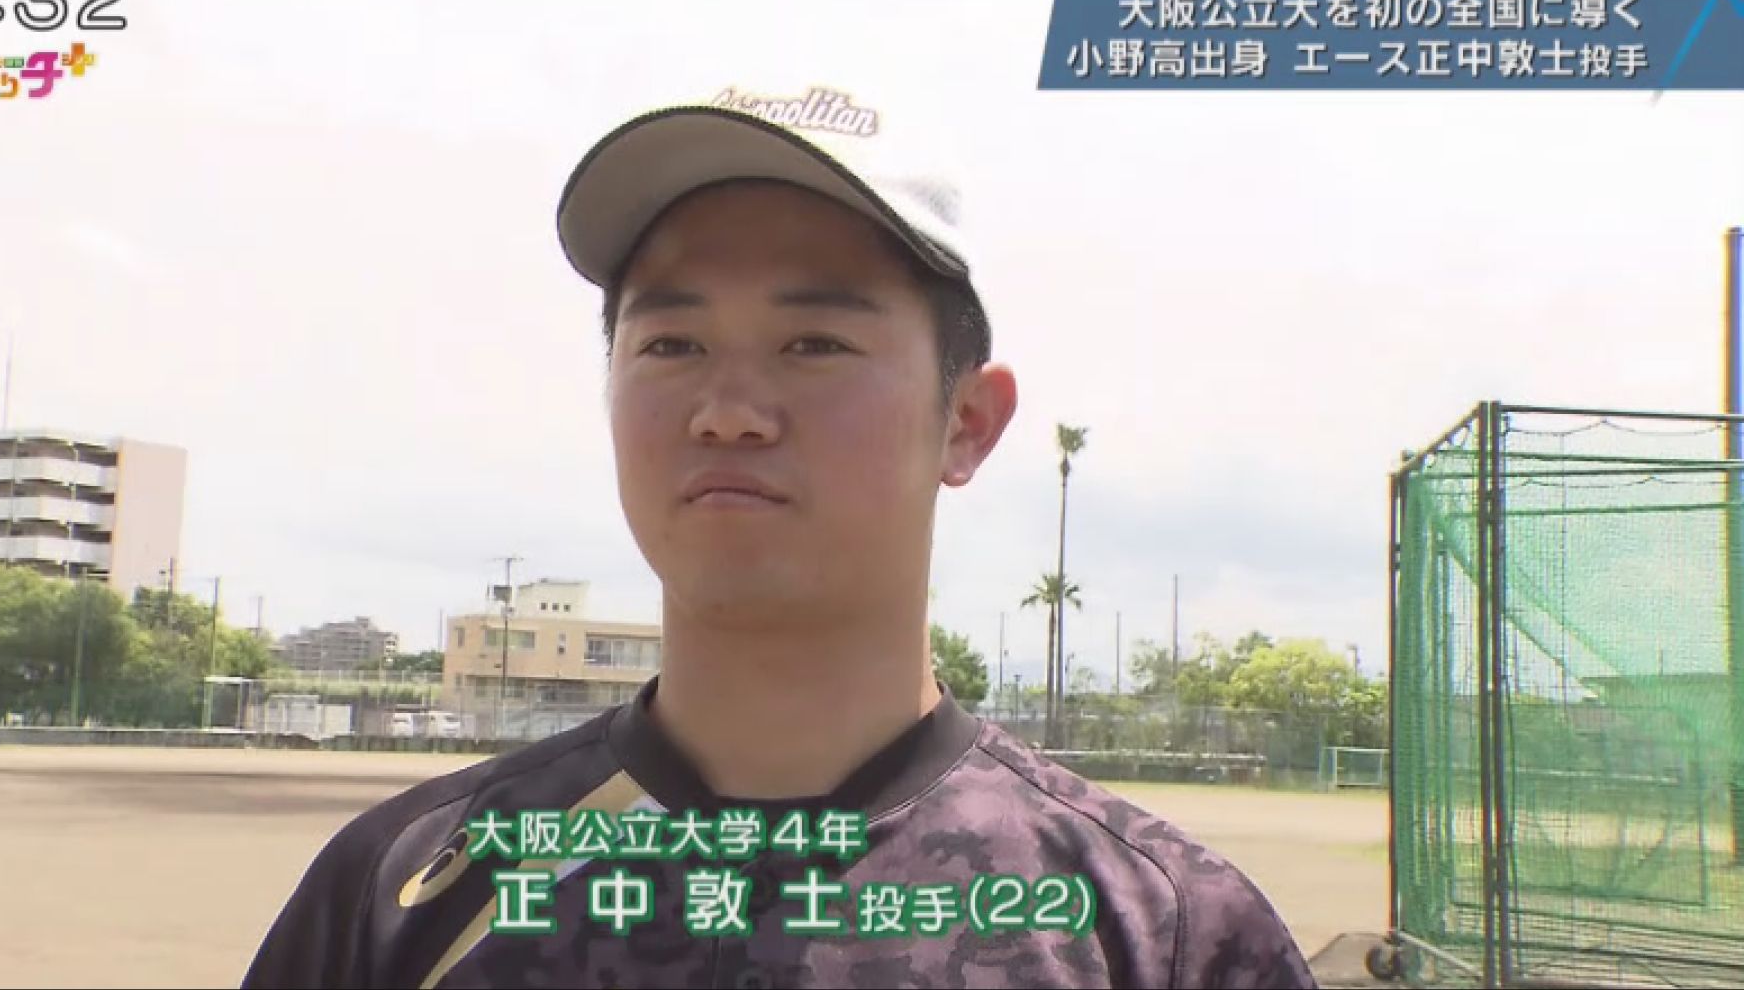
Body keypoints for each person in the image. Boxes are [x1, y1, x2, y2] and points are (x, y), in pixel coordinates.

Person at [242, 103, 1318, 990]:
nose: (728, 412)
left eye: (814, 342)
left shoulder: (1160, 930)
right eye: (673, 343)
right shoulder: (406, 893)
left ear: (967, 422)